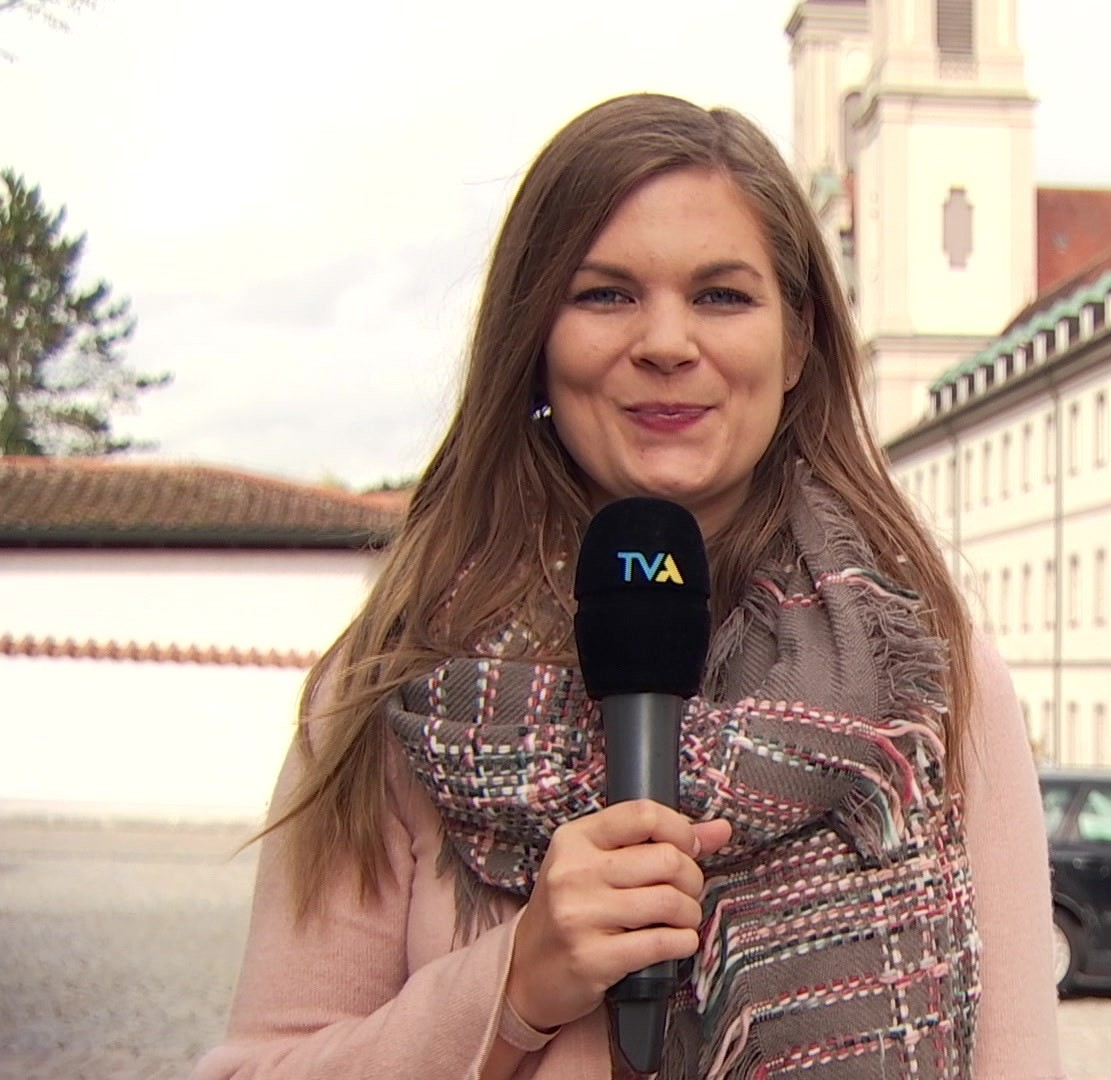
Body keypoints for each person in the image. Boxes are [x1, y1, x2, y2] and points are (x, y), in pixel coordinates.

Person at [191, 93, 1064, 1080]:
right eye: (606, 295)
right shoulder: (397, 682)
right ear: (535, 339)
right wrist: (508, 990)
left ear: (797, 343)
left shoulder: (931, 680)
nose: (666, 342)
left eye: (721, 296)